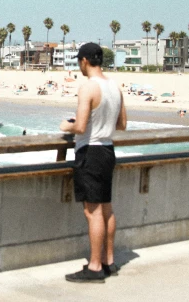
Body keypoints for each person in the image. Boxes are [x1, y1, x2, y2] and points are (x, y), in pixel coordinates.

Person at [60, 42, 127, 283]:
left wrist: (66, 125)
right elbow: (122, 125)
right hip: (108, 150)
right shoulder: (114, 87)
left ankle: (95, 266)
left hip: (91, 152)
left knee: (93, 212)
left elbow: (79, 126)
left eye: (79, 61)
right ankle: (109, 261)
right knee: (107, 209)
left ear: (85, 61)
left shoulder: (88, 88)